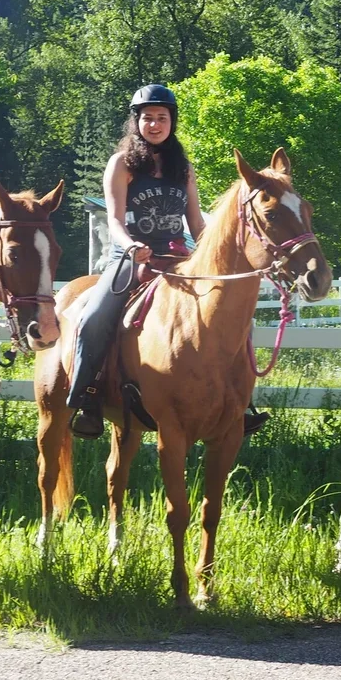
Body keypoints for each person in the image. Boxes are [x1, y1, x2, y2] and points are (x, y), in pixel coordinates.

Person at [65, 84, 208, 439]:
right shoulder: (122, 163)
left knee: (225, 309)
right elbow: (113, 219)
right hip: (129, 257)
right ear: (136, 122)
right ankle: (88, 398)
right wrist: (130, 246)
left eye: (162, 118)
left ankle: (238, 398)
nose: (155, 125)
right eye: (148, 118)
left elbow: (197, 222)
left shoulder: (183, 167)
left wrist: (210, 254)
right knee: (95, 318)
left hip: (177, 260)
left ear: (172, 121)